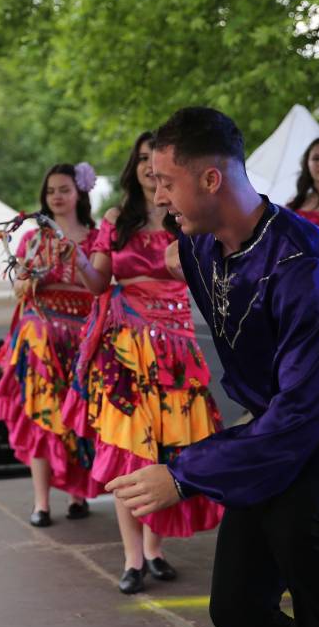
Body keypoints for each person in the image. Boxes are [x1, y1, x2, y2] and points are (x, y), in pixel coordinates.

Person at [108, 107, 319, 627]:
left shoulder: (309, 265)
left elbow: (301, 417)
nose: (159, 195)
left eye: (166, 182)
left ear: (210, 180)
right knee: (236, 605)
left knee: (298, 522)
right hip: (283, 423)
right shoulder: (197, 247)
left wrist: (184, 474)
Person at [65, 131, 223, 594]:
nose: (151, 169)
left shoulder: (188, 219)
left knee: (169, 449)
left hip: (177, 349)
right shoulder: (117, 219)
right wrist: (75, 254)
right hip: (126, 348)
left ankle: (154, 551)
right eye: (143, 161)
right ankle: (132, 558)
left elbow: (209, 280)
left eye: (160, 162)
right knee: (128, 448)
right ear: (134, 168)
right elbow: (97, 283)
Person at [0, 163, 102, 527]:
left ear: (80, 193)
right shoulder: (32, 239)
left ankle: (77, 495)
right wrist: (27, 282)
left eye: (65, 189)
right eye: (52, 190)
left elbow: (101, 285)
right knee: (41, 419)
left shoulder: (96, 237)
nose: (57, 196)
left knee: (78, 416)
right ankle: (41, 503)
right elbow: (18, 287)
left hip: (82, 336)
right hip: (41, 337)